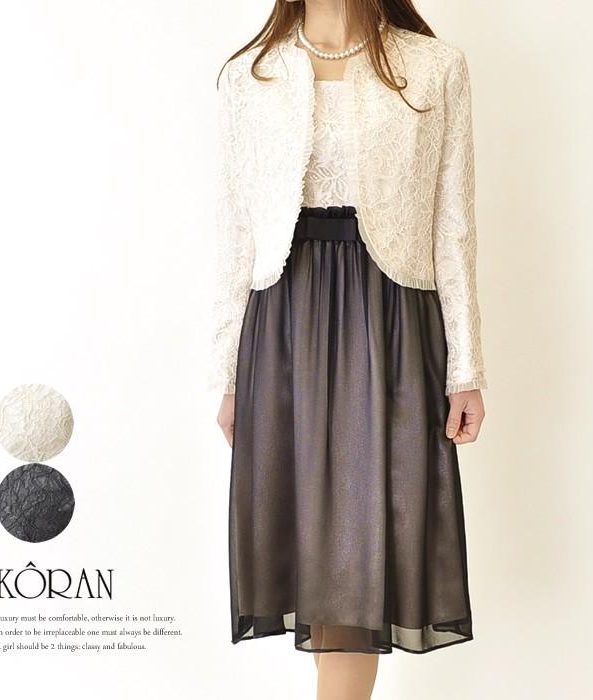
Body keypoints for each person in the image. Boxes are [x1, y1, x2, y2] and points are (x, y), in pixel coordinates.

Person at [208, 1, 488, 697]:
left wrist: (466, 366)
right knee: (315, 555)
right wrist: (228, 374)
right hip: (283, 325)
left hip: (388, 320)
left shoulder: (435, 67)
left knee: (357, 556)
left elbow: (453, 225)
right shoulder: (249, 75)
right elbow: (236, 234)